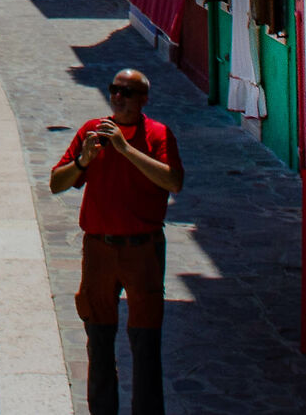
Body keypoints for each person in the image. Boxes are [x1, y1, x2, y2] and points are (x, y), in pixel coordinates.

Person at [48, 68, 184, 415]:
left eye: (127, 91)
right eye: (115, 90)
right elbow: (56, 184)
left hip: (143, 251)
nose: (119, 96)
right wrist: (82, 162)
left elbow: (172, 182)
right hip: (100, 251)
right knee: (99, 339)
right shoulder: (91, 133)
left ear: (143, 100)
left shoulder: (157, 134)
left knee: (146, 342)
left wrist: (124, 149)